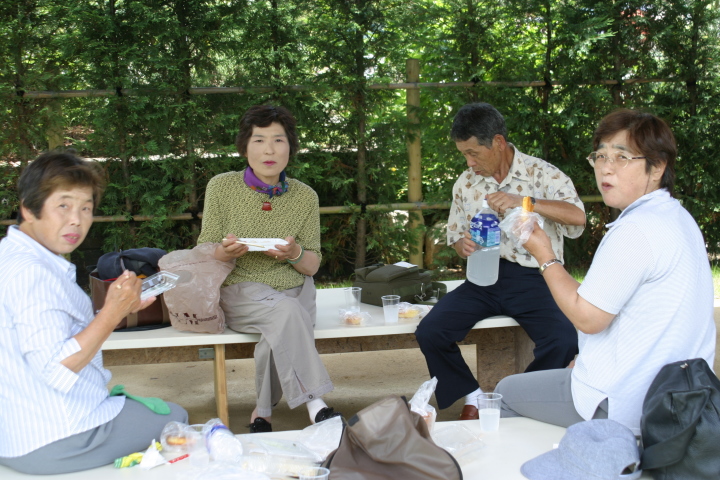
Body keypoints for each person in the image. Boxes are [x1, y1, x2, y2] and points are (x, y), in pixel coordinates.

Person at [494, 109, 716, 435]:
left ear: (657, 167)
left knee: (504, 393)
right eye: (600, 156)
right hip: (683, 395)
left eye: (622, 157)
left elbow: (587, 317)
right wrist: (586, 358)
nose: (606, 168)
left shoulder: (635, 230)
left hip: (629, 402)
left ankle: (580, 457)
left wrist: (544, 254)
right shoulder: (677, 217)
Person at [0, 151, 188, 474]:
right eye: (63, 205)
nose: (77, 219)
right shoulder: (34, 273)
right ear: (29, 209)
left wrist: (118, 308)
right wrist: (111, 314)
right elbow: (55, 367)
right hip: (57, 436)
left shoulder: (11, 254)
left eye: (86, 208)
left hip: (13, 433)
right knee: (175, 418)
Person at [415, 102, 586, 420]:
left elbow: (577, 218)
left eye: (473, 153)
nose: (469, 162)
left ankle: (519, 399)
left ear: (498, 142)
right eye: (464, 154)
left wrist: (525, 202)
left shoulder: (542, 173)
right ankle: (476, 398)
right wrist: (463, 245)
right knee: (431, 331)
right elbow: (456, 236)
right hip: (482, 278)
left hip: (537, 276)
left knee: (564, 339)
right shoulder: (465, 183)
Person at [197, 104, 339, 433]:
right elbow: (205, 253)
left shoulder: (306, 196)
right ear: (245, 147)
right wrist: (224, 251)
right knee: (288, 314)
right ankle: (316, 404)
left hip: (294, 289)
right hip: (241, 290)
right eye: (259, 140)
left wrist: (294, 253)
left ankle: (262, 412)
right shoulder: (221, 187)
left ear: (291, 146)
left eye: (278, 140)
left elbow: (311, 265)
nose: (270, 150)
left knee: (278, 328)